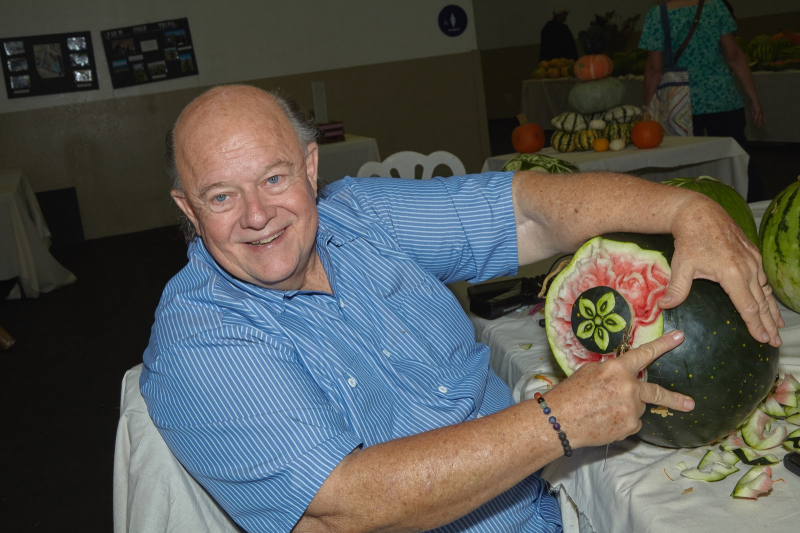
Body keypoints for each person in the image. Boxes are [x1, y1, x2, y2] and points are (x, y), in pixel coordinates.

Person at [140, 84, 782, 533]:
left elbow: (528, 210)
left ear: (310, 167)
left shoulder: (361, 216)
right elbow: (338, 508)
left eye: (274, 178)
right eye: (221, 196)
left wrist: (685, 209)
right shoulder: (201, 339)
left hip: (542, 510)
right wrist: (556, 423)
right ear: (188, 209)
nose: (257, 216)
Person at [639, 0, 766, 201]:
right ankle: (755, 208)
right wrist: (754, 99)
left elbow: (655, 68)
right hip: (723, 99)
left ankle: (698, 213)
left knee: (690, 171)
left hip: (681, 108)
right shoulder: (716, 7)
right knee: (738, 161)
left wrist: (646, 107)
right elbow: (733, 55)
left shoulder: (657, 14)